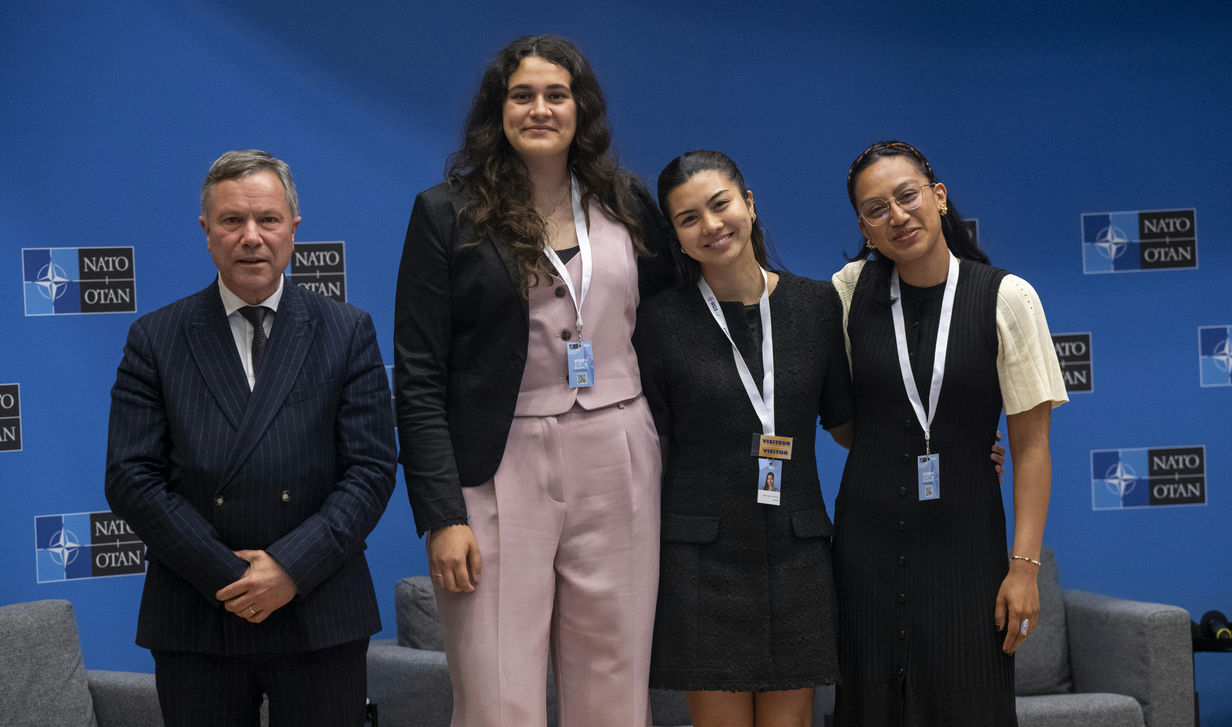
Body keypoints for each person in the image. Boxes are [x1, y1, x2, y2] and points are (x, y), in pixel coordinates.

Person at [392, 35, 673, 727]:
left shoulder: (628, 199)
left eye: (556, 95)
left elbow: (670, 332)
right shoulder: (445, 211)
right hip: (498, 461)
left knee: (614, 679)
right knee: (495, 690)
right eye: (522, 96)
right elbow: (420, 374)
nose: (539, 109)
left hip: (619, 452)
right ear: (498, 111)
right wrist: (442, 514)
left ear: (582, 110)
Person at [104, 149, 398, 726]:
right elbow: (131, 478)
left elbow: (370, 470)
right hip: (198, 610)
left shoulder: (347, 331)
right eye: (232, 221)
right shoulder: (156, 337)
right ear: (206, 232)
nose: (251, 237)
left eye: (267, 219)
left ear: (293, 228)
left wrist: (289, 569)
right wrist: (231, 578)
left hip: (319, 607)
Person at [831, 140, 1068, 725]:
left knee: (969, 702)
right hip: (865, 547)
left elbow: (1033, 450)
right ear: (864, 227)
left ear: (938, 198)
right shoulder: (846, 292)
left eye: (907, 196)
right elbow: (843, 425)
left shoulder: (1006, 297)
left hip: (966, 546)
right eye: (876, 208)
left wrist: (1024, 567)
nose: (897, 216)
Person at [634, 150, 853, 727]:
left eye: (720, 204)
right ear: (676, 237)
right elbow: (644, 445)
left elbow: (850, 425)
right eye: (688, 219)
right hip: (703, 557)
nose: (710, 226)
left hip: (796, 550)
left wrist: (949, 447)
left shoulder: (815, 305)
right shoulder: (658, 322)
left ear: (749, 204)